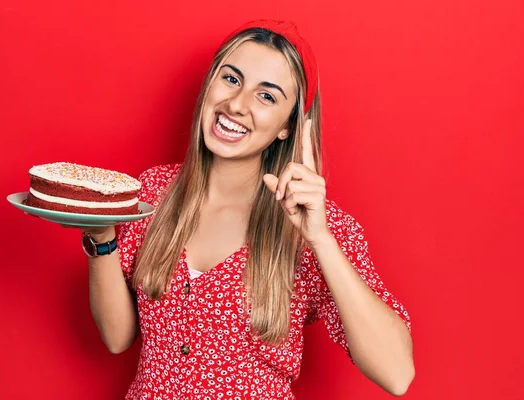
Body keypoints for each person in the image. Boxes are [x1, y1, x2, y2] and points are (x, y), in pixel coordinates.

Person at [77, 20, 414, 399]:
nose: (236, 104)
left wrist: (319, 238)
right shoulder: (154, 191)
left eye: (266, 96)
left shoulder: (320, 225)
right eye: (231, 79)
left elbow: (397, 374)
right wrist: (102, 238)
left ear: (287, 128)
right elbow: (117, 337)